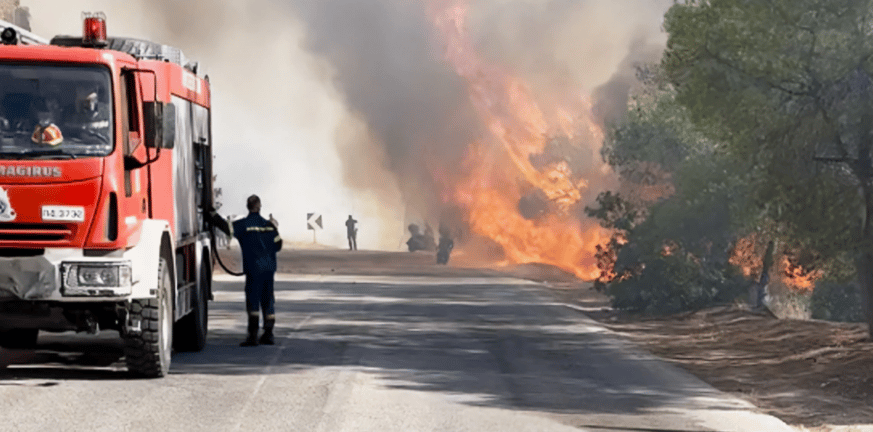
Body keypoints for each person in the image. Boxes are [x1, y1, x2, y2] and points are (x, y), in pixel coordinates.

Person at [209, 195, 282, 347]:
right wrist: (275, 227)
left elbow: (225, 227)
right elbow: (278, 245)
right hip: (268, 269)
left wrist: (212, 215)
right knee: (268, 300)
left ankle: (253, 336)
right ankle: (269, 334)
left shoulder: (243, 225)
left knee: (253, 301)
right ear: (259, 206)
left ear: (247, 206)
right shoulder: (269, 225)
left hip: (254, 269)